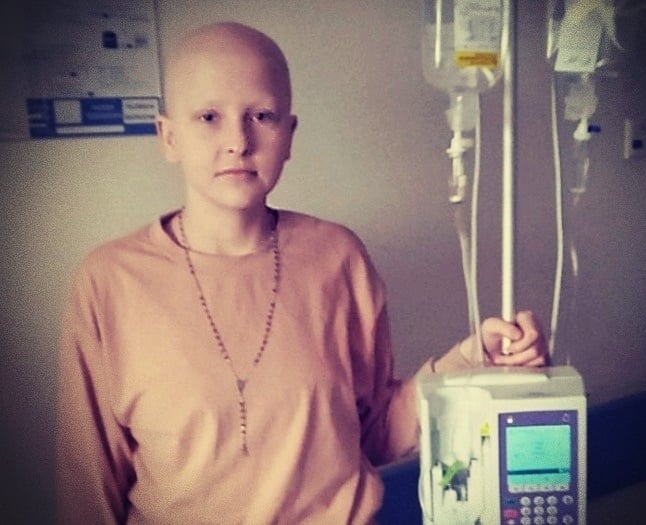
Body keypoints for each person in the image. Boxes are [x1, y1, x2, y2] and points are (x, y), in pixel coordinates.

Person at [56, 21, 547, 525]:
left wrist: (471, 361)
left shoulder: (338, 259)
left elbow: (373, 433)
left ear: (289, 135)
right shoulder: (109, 282)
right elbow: (88, 485)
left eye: (261, 116)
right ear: (169, 136)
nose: (238, 141)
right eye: (208, 117)